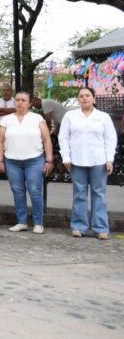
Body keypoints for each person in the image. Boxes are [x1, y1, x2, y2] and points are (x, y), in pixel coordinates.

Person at [58, 87, 116, 240]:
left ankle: (101, 228)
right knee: (79, 194)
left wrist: (109, 159)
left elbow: (110, 139)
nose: (84, 98)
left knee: (99, 194)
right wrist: (66, 157)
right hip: (77, 160)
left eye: (87, 95)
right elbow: (63, 137)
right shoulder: (70, 116)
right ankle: (78, 226)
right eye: (81, 96)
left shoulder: (103, 117)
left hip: (98, 161)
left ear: (94, 98)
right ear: (78, 99)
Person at [0, 90, 53, 234]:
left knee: (35, 191)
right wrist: (0, 160)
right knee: (17, 191)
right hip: (12, 161)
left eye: (23, 100)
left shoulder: (37, 118)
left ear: (29, 103)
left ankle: (38, 223)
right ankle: (21, 222)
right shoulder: (7, 120)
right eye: (17, 100)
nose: (20, 102)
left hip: (34, 160)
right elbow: (1, 141)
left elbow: (46, 140)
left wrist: (49, 160)